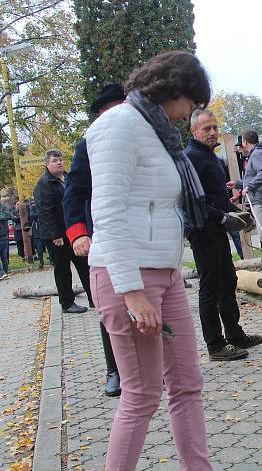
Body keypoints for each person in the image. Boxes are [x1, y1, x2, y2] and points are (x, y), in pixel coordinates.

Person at [86, 51, 213, 471]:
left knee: (187, 385)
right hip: (130, 277)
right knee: (141, 395)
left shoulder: (155, 131)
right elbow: (107, 211)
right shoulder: (118, 124)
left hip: (167, 272)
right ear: (175, 89)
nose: (187, 115)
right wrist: (132, 292)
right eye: (189, 105)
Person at [63, 82, 125, 396]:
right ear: (101, 114)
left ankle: (154, 367)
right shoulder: (88, 145)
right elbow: (72, 194)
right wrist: (77, 234)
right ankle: (114, 369)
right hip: (103, 237)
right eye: (113, 110)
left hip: (139, 236)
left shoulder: (139, 138)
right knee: (110, 307)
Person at [185, 109, 262, 361]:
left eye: (215, 127)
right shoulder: (191, 159)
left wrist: (238, 212)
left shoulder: (212, 158)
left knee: (228, 281)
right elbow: (193, 202)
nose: (212, 132)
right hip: (202, 230)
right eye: (206, 128)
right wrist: (223, 217)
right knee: (210, 287)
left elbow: (218, 198)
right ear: (193, 131)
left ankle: (234, 333)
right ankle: (215, 345)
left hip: (217, 230)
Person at [34, 150, 91, 314]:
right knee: (63, 269)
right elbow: (45, 212)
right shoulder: (44, 184)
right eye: (54, 160)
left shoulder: (68, 179)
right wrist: (55, 235)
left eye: (60, 160)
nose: (59, 163)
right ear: (47, 164)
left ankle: (94, 298)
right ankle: (67, 303)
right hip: (56, 235)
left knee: (84, 265)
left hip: (73, 232)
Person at [229, 131, 262, 246]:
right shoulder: (257, 153)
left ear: (245, 142)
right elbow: (255, 176)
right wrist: (237, 184)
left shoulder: (257, 154)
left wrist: (250, 187)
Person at [28, 199, 46, 268]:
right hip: (37, 230)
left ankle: (51, 260)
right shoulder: (33, 207)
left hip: (45, 229)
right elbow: (33, 216)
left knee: (49, 246)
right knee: (39, 248)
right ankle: (41, 262)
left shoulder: (43, 205)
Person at [0, 201, 9, 279]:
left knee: (4, 256)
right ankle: (5, 272)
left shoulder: (3, 209)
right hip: (5, 236)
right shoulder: (5, 208)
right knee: (4, 256)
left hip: (2, 236)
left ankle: (2, 273)